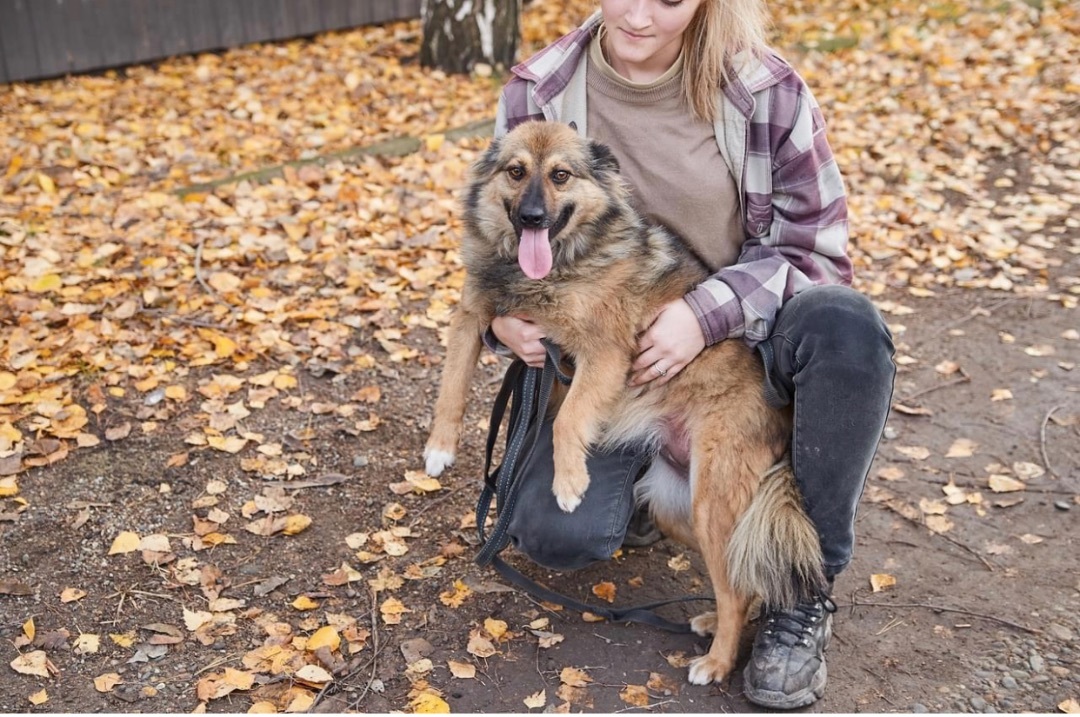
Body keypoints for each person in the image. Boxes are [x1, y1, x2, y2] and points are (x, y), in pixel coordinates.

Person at [481, 0, 896, 709]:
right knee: (553, 534)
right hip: (604, 356)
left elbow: (818, 255)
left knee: (846, 326)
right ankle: (647, 486)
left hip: (736, 353)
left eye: (669, 0)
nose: (639, 16)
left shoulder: (764, 91)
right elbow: (500, 232)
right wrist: (502, 324)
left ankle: (798, 592)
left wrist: (704, 316)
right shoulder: (540, 89)